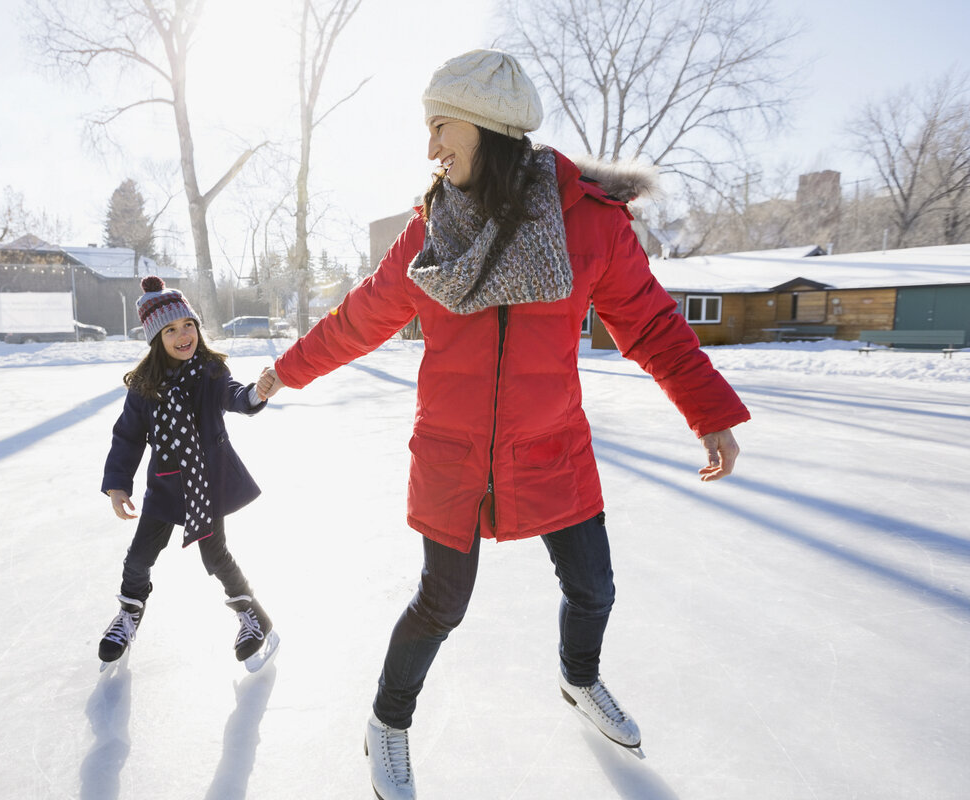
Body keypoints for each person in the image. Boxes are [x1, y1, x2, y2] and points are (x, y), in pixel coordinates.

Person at [257, 49, 749, 799]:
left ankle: (579, 680)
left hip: (552, 447)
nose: (430, 148)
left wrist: (708, 411)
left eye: (441, 126)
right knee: (440, 603)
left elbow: (650, 324)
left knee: (595, 589)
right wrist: (282, 371)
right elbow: (359, 319)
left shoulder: (589, 225)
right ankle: (387, 724)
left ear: (487, 127)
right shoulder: (430, 236)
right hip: (454, 455)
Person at [98, 276, 277, 670]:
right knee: (139, 557)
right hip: (164, 490)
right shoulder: (146, 386)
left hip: (205, 486)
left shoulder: (210, 372)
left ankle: (253, 615)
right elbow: (128, 436)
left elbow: (234, 396)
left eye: (188, 325)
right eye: (171, 330)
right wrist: (117, 485)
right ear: (155, 338)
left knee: (216, 559)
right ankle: (129, 613)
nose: (183, 336)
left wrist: (257, 393)